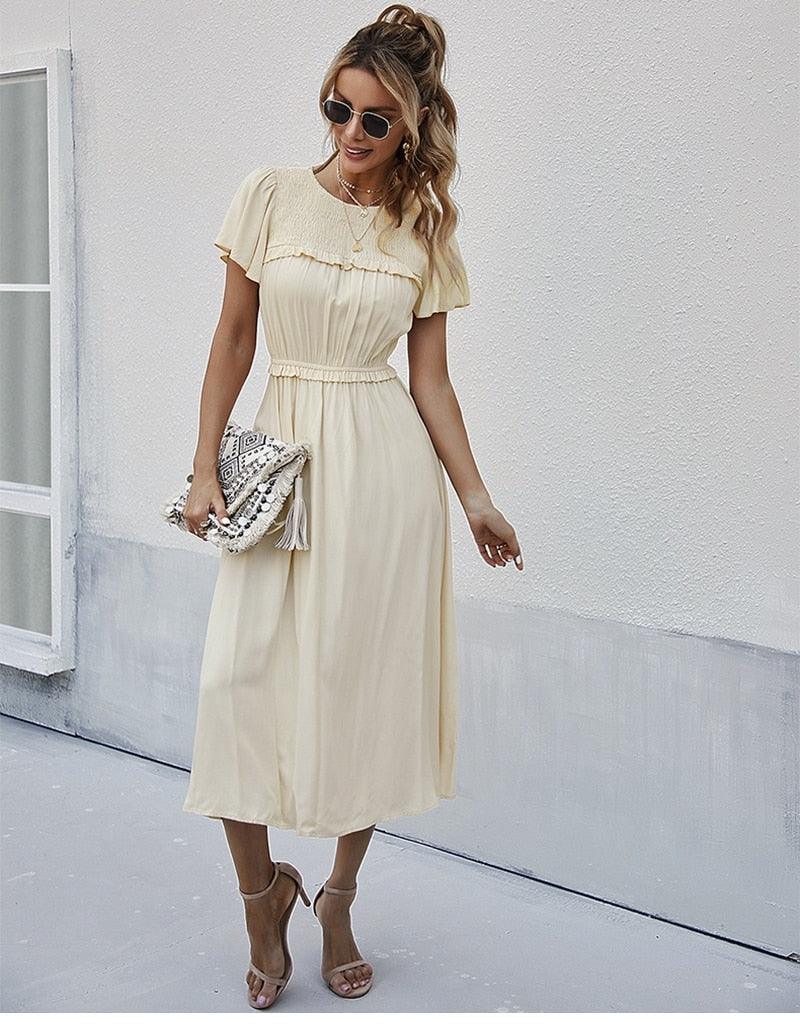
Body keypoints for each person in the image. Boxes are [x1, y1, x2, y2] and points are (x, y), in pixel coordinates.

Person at [180, 3, 523, 1010]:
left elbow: (432, 383)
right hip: (282, 459)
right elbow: (233, 338)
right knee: (238, 683)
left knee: (362, 690)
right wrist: (203, 466)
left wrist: (474, 496)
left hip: (382, 478)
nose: (352, 133)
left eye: (376, 119)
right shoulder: (271, 195)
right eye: (338, 109)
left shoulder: (424, 230)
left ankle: (335, 898)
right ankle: (262, 901)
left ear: (411, 124)